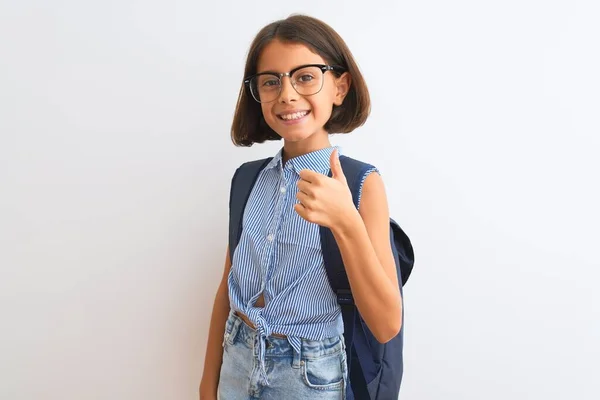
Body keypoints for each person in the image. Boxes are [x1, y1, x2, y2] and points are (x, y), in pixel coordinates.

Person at [199, 14, 402, 400]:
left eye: (305, 76)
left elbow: (386, 324)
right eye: (271, 81)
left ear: (340, 87)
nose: (287, 94)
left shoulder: (363, 186)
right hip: (237, 359)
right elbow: (227, 291)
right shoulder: (247, 179)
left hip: (310, 377)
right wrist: (207, 387)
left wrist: (346, 222)